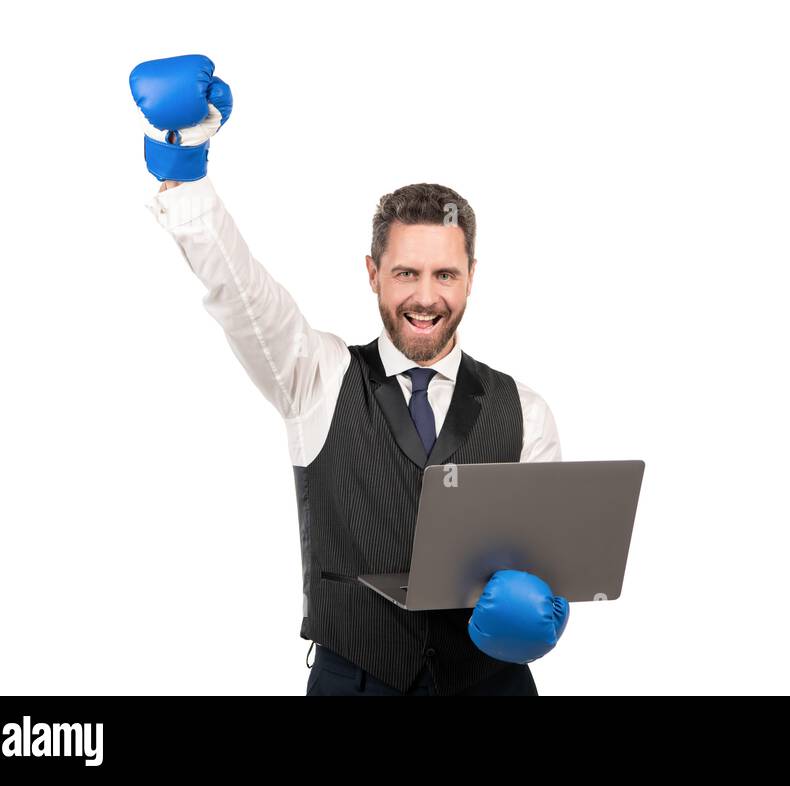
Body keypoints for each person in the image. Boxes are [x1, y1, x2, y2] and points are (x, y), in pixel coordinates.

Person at [131, 54, 569, 696]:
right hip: (354, 682)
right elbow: (239, 288)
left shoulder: (524, 410)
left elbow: (553, 566)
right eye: (405, 274)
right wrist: (183, 163)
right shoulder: (315, 375)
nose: (425, 297)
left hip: (492, 685)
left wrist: (543, 620)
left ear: (471, 275)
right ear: (373, 274)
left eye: (444, 274)